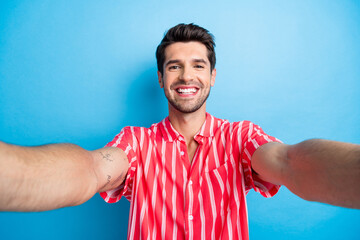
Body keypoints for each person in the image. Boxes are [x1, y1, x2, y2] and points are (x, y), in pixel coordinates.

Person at [0, 23, 359, 239]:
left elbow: (289, 162)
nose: (187, 76)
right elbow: (91, 169)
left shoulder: (239, 138)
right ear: (161, 78)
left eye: (198, 65)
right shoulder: (136, 143)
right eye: (175, 66)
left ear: (212, 76)